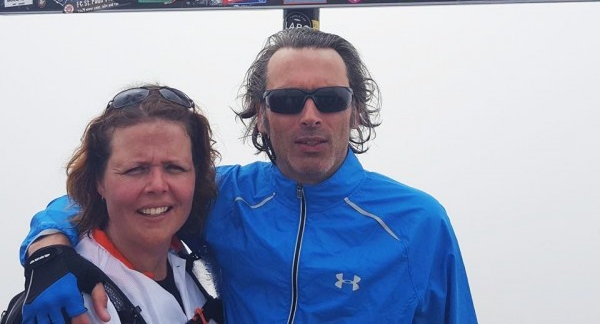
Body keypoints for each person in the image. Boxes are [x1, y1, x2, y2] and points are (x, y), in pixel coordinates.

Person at [20, 28, 478, 323]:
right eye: (287, 101)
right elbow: (118, 197)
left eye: (331, 99)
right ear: (260, 116)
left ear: (356, 111)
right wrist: (47, 248)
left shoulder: (418, 222)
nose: (311, 116)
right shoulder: (227, 196)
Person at [19, 85, 222, 324]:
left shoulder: (195, 268)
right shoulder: (75, 304)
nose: (158, 185)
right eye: (136, 169)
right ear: (98, 182)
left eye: (175, 168)